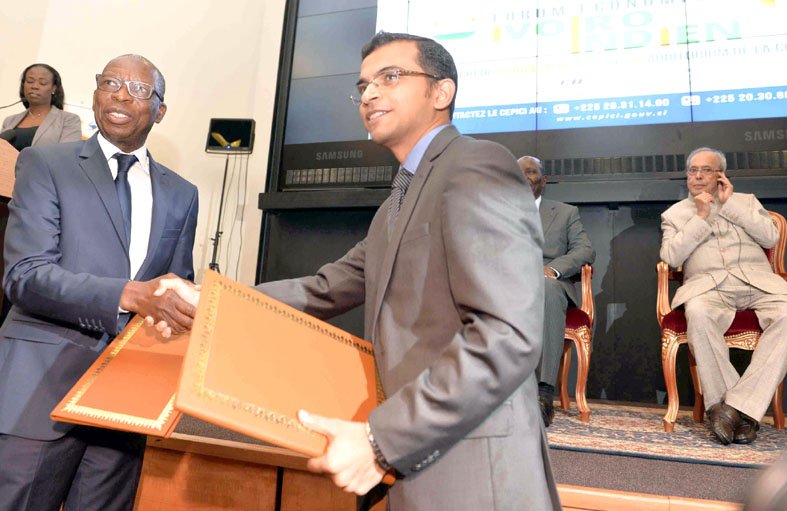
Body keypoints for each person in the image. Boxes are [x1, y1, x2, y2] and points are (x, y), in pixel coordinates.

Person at [157, 32, 560, 510]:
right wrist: (212, 299)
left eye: (390, 78)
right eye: (364, 84)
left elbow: (507, 335)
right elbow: (325, 288)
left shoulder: (477, 164)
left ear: (441, 92)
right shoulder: (394, 205)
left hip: (472, 467)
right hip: (412, 457)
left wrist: (379, 438)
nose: (369, 94)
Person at [0, 54, 199, 511]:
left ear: (160, 110)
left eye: (138, 89)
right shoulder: (46, 163)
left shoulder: (182, 193)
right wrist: (130, 295)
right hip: (39, 390)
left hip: (127, 400)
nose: (120, 94)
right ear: (94, 94)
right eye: (110, 82)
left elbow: (176, 284)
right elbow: (25, 276)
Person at [660, 147, 787, 446]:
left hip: (758, 283)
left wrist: (730, 204)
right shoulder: (675, 214)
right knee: (697, 313)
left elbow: (769, 237)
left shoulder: (745, 202)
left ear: (720, 174)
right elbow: (671, 257)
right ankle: (743, 415)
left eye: (706, 170)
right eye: (692, 170)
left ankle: (732, 409)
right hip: (708, 287)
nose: (697, 176)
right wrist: (700, 217)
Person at [518, 155, 595, 426]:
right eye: (518, 173)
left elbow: (585, 249)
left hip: (549, 280)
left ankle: (543, 392)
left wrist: (553, 270)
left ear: (544, 180)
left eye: (531, 172)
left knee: (548, 289)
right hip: (509, 282)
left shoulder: (564, 212)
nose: (524, 177)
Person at [1, 63, 82, 151]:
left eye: (42, 83)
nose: (34, 86)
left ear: (53, 88)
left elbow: (66, 155)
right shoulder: (9, 121)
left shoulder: (68, 120)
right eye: (30, 81)